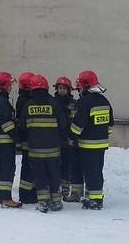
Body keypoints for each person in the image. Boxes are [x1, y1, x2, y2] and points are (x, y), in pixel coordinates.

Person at [20, 74, 68, 213]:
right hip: (53, 150)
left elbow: (22, 127)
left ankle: (43, 202)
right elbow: (63, 125)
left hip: (35, 151)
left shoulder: (28, 105)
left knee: (40, 176)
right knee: (54, 175)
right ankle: (57, 202)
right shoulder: (54, 104)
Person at [70, 69, 114, 210]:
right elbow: (110, 125)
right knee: (97, 171)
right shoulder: (105, 101)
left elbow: (78, 127)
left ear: (85, 86)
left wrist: (70, 136)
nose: (79, 89)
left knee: (91, 172)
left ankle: (95, 201)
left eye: (80, 87)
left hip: (87, 145)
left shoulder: (85, 102)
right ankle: (95, 197)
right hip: (101, 145)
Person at [0, 71, 21, 208]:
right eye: (10, 84)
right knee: (7, 168)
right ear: (5, 85)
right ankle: (6, 198)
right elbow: (7, 123)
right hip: (6, 141)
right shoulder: (2, 101)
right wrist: (17, 136)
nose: (11, 87)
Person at [53, 76, 79, 201]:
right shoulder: (53, 102)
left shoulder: (74, 104)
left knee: (68, 165)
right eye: (59, 88)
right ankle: (56, 188)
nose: (61, 90)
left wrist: (73, 138)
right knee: (57, 164)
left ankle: (65, 189)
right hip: (57, 138)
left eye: (64, 88)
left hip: (71, 138)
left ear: (69, 90)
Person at [15, 70, 37, 204]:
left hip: (26, 139)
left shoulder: (23, 99)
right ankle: (27, 195)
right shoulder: (25, 101)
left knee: (28, 167)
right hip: (29, 139)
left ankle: (28, 192)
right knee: (28, 168)